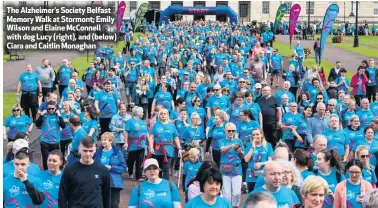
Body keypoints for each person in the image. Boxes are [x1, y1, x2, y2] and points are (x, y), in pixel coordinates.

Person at [58, 136, 111, 208]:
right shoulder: (69, 169)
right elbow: (62, 194)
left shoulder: (103, 170)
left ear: (95, 149)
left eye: (91, 151)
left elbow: (107, 195)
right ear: (79, 149)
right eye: (85, 150)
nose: (88, 154)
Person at [94, 132, 127, 208]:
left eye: (105, 140)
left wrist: (111, 168)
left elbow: (123, 167)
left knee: (113, 205)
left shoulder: (117, 152)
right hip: (100, 181)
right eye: (102, 140)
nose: (103, 141)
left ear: (111, 141)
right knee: (101, 204)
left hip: (114, 183)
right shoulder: (98, 152)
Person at [148, 108, 182, 180]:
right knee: (158, 169)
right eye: (161, 114)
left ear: (168, 115)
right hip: (157, 150)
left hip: (168, 150)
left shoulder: (171, 125)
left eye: (165, 114)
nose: (163, 115)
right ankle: (158, 183)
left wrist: (179, 148)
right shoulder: (156, 125)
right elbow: (151, 137)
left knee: (166, 168)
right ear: (159, 115)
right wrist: (151, 148)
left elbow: (176, 137)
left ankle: (165, 184)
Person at [219, 123, 244, 207]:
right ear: (225, 131)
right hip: (225, 169)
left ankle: (235, 206)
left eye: (233, 131)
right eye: (229, 131)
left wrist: (240, 151)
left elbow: (243, 154)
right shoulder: (221, 141)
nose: (231, 132)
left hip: (236, 169)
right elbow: (222, 149)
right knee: (226, 194)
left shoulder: (238, 141)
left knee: (236, 193)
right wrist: (231, 146)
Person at [35, 101, 66, 170]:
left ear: (55, 109)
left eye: (53, 109)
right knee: (46, 159)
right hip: (45, 141)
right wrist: (41, 115)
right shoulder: (44, 116)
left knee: (55, 159)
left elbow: (63, 126)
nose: (51, 110)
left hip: (55, 142)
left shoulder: (58, 116)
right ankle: (46, 173)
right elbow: (37, 124)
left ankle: (56, 172)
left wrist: (60, 116)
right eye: (49, 109)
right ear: (47, 109)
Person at [244, 128, 273, 192]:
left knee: (263, 195)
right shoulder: (249, 145)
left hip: (263, 174)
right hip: (251, 175)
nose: (255, 136)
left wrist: (261, 164)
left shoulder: (268, 145)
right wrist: (252, 147)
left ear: (261, 135)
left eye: (257, 134)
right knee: (252, 196)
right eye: (253, 135)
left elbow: (270, 161)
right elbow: (246, 159)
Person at [124, 106, 148, 181]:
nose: (143, 113)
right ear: (137, 113)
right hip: (132, 144)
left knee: (140, 160)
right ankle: (130, 171)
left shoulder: (143, 122)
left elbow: (146, 133)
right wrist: (126, 142)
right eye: (141, 112)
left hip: (142, 144)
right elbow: (126, 132)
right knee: (131, 160)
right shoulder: (130, 121)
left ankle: (139, 176)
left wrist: (149, 142)